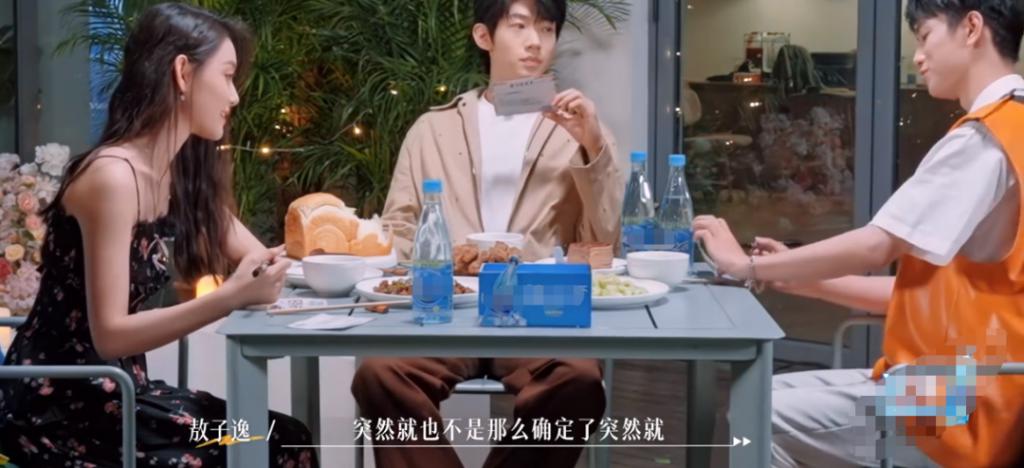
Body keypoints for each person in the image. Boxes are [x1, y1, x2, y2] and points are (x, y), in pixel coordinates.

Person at [694, 1, 1024, 466]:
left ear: (971, 27)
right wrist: (803, 279)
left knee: (758, 412)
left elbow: (876, 244)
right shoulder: (1013, 126)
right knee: (764, 396)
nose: (918, 56)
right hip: (978, 385)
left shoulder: (983, 140)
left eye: (925, 36)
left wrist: (744, 265)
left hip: (957, 402)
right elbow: (929, 293)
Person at [0, 4, 317, 466]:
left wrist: (328, 269)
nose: (234, 96)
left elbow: (260, 258)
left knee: (285, 438)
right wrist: (229, 297)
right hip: (60, 409)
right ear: (183, 73)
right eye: (228, 76)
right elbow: (110, 336)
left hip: (122, 394)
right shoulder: (112, 177)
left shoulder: (176, 170)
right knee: (273, 447)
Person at [352, 1, 621, 467]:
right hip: (447, 307)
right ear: (484, 36)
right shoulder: (433, 128)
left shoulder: (579, 129)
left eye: (547, 29)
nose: (535, 41)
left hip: (537, 310)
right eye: (519, 26)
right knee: (380, 373)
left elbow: (605, 241)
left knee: (577, 379)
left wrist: (592, 143)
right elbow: (399, 228)